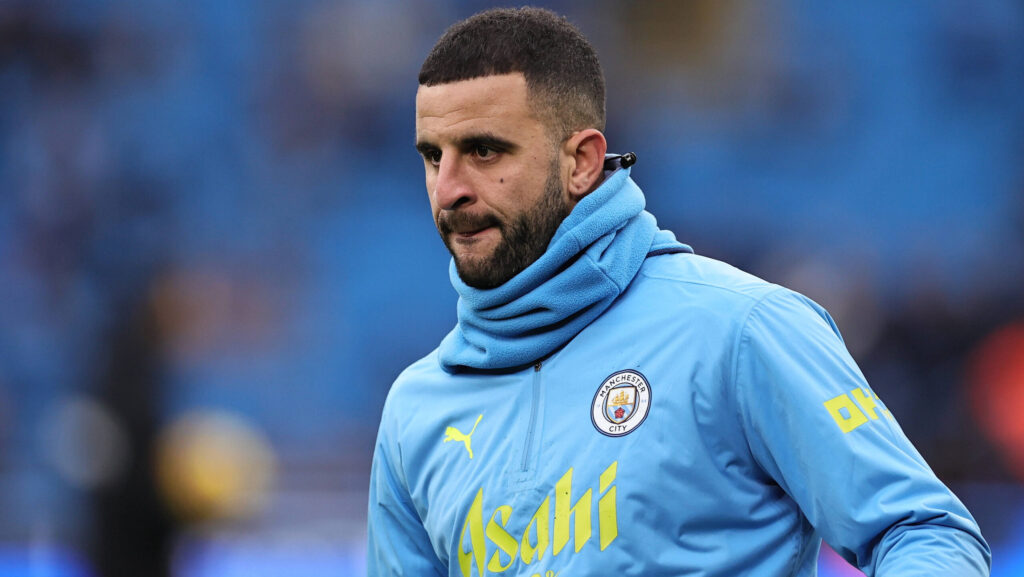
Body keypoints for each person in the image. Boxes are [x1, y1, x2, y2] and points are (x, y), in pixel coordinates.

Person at [367, 7, 991, 576]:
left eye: (482, 150)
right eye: (431, 156)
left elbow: (925, 532)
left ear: (582, 161)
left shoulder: (741, 330)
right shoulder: (414, 411)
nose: (448, 188)